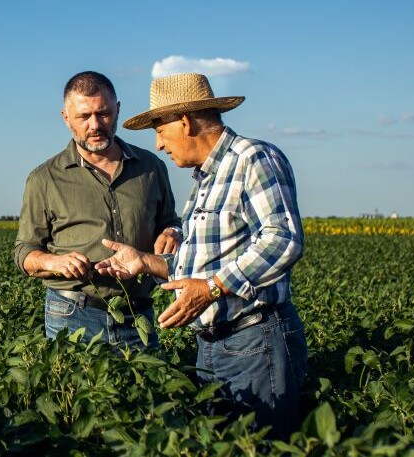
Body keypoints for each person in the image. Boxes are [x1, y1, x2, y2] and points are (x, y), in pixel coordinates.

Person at [94, 73, 307, 437]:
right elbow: (203, 264)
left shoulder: (252, 159)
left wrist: (211, 288)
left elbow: (283, 239)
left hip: (254, 341)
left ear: (185, 122)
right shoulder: (205, 179)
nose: (159, 144)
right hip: (212, 346)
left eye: (160, 131)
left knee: (263, 444)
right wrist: (144, 262)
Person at [13, 71, 182, 350]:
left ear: (117, 110)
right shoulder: (45, 178)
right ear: (66, 118)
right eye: (84, 116)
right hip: (73, 314)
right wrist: (53, 262)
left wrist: (172, 231)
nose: (95, 125)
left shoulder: (151, 168)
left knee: (147, 380)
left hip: (138, 313)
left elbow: (170, 221)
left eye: (103, 114)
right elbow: (24, 251)